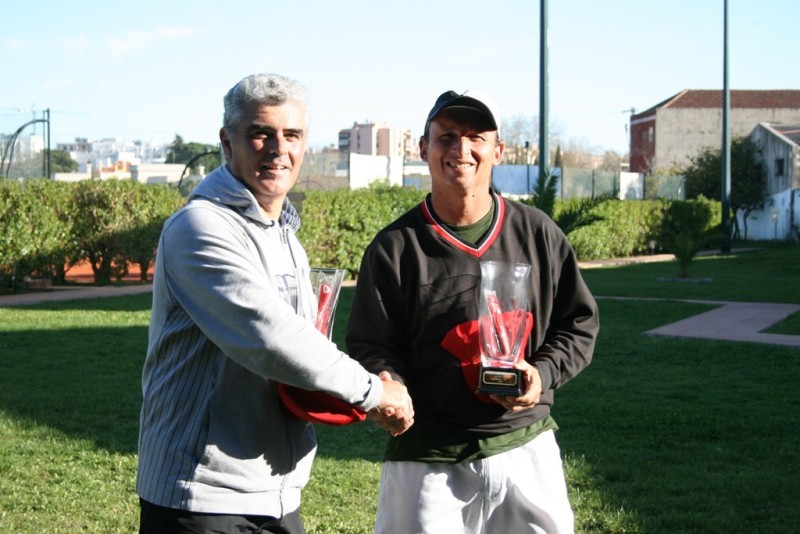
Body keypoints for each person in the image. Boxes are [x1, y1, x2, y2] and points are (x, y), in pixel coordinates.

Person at [136, 73, 413, 534]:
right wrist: (372, 392)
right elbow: (271, 338)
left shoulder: (285, 236)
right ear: (227, 142)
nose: (278, 148)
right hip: (200, 498)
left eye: (292, 134)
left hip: (276, 492)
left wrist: (351, 384)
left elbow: (302, 349)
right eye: (260, 133)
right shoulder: (199, 227)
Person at [346, 89, 599, 533]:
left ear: (498, 150)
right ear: (423, 148)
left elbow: (579, 324)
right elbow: (372, 343)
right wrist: (388, 383)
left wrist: (541, 375)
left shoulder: (538, 233)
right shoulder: (394, 247)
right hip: (428, 456)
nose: (461, 149)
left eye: (476, 137)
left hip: (526, 446)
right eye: (446, 136)